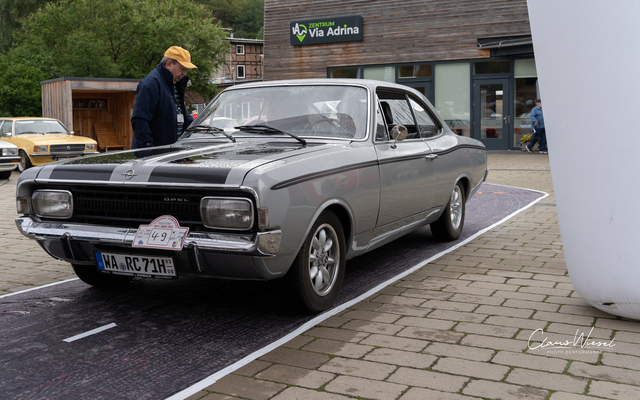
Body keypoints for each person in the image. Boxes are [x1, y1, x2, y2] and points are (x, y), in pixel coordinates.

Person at [131, 46, 197, 149]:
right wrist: (148, 151)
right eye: (182, 68)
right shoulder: (150, 84)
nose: (184, 73)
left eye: (186, 70)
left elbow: (180, 113)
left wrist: (199, 127)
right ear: (169, 64)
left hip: (173, 153)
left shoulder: (175, 85)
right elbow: (140, 120)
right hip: (156, 157)